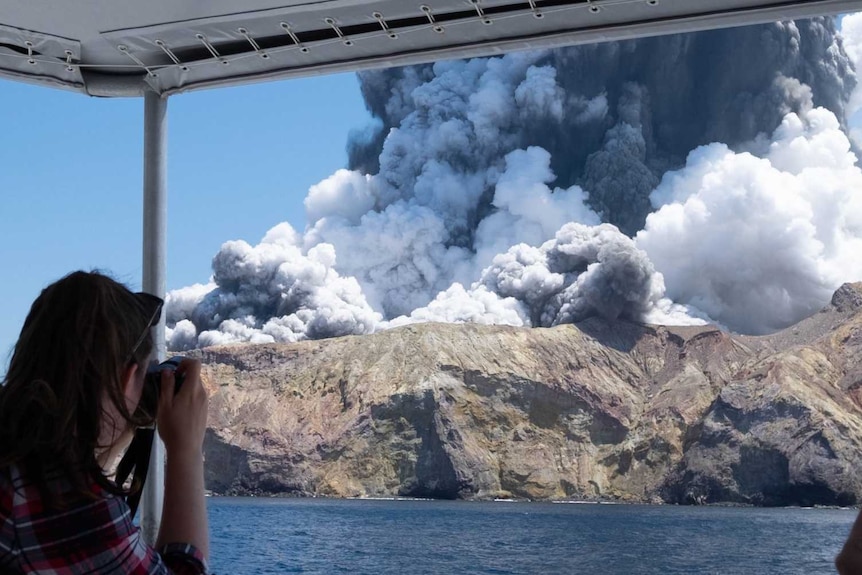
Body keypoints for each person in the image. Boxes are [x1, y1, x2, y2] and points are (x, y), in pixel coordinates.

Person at [0, 271, 210, 574]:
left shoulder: (15, 448)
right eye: (142, 377)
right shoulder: (55, 493)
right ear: (127, 379)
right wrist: (185, 451)